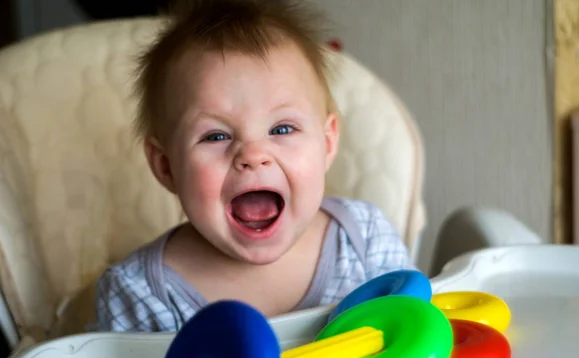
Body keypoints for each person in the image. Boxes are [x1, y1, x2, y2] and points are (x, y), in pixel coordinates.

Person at [94, 0, 416, 332]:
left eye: (282, 129)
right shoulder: (140, 294)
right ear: (166, 166)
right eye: (216, 135)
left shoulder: (365, 241)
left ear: (327, 143)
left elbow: (415, 344)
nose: (252, 154)